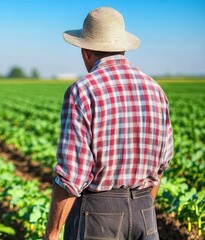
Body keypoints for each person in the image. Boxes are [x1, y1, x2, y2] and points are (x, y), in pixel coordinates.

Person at [44, 7, 173, 240]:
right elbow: (162, 164)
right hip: (145, 211)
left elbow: (72, 175)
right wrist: (140, 206)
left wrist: (52, 233)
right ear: (122, 48)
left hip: (97, 215)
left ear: (85, 51)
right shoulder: (155, 89)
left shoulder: (82, 91)